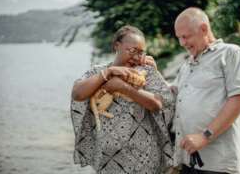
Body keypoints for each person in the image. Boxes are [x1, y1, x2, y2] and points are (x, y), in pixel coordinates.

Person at [70, 25, 175, 174]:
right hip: (108, 161)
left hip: (144, 158)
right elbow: (77, 94)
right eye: (132, 51)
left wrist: (123, 87)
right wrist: (108, 73)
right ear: (116, 46)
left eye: (141, 53)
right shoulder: (98, 72)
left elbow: (158, 104)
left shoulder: (146, 71)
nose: (136, 57)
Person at [172, 7, 240, 174]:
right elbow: (171, 93)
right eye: (179, 38)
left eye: (185, 37)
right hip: (188, 159)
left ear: (203, 29)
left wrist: (204, 136)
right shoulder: (187, 65)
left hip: (218, 164)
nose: (182, 43)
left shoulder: (231, 53)